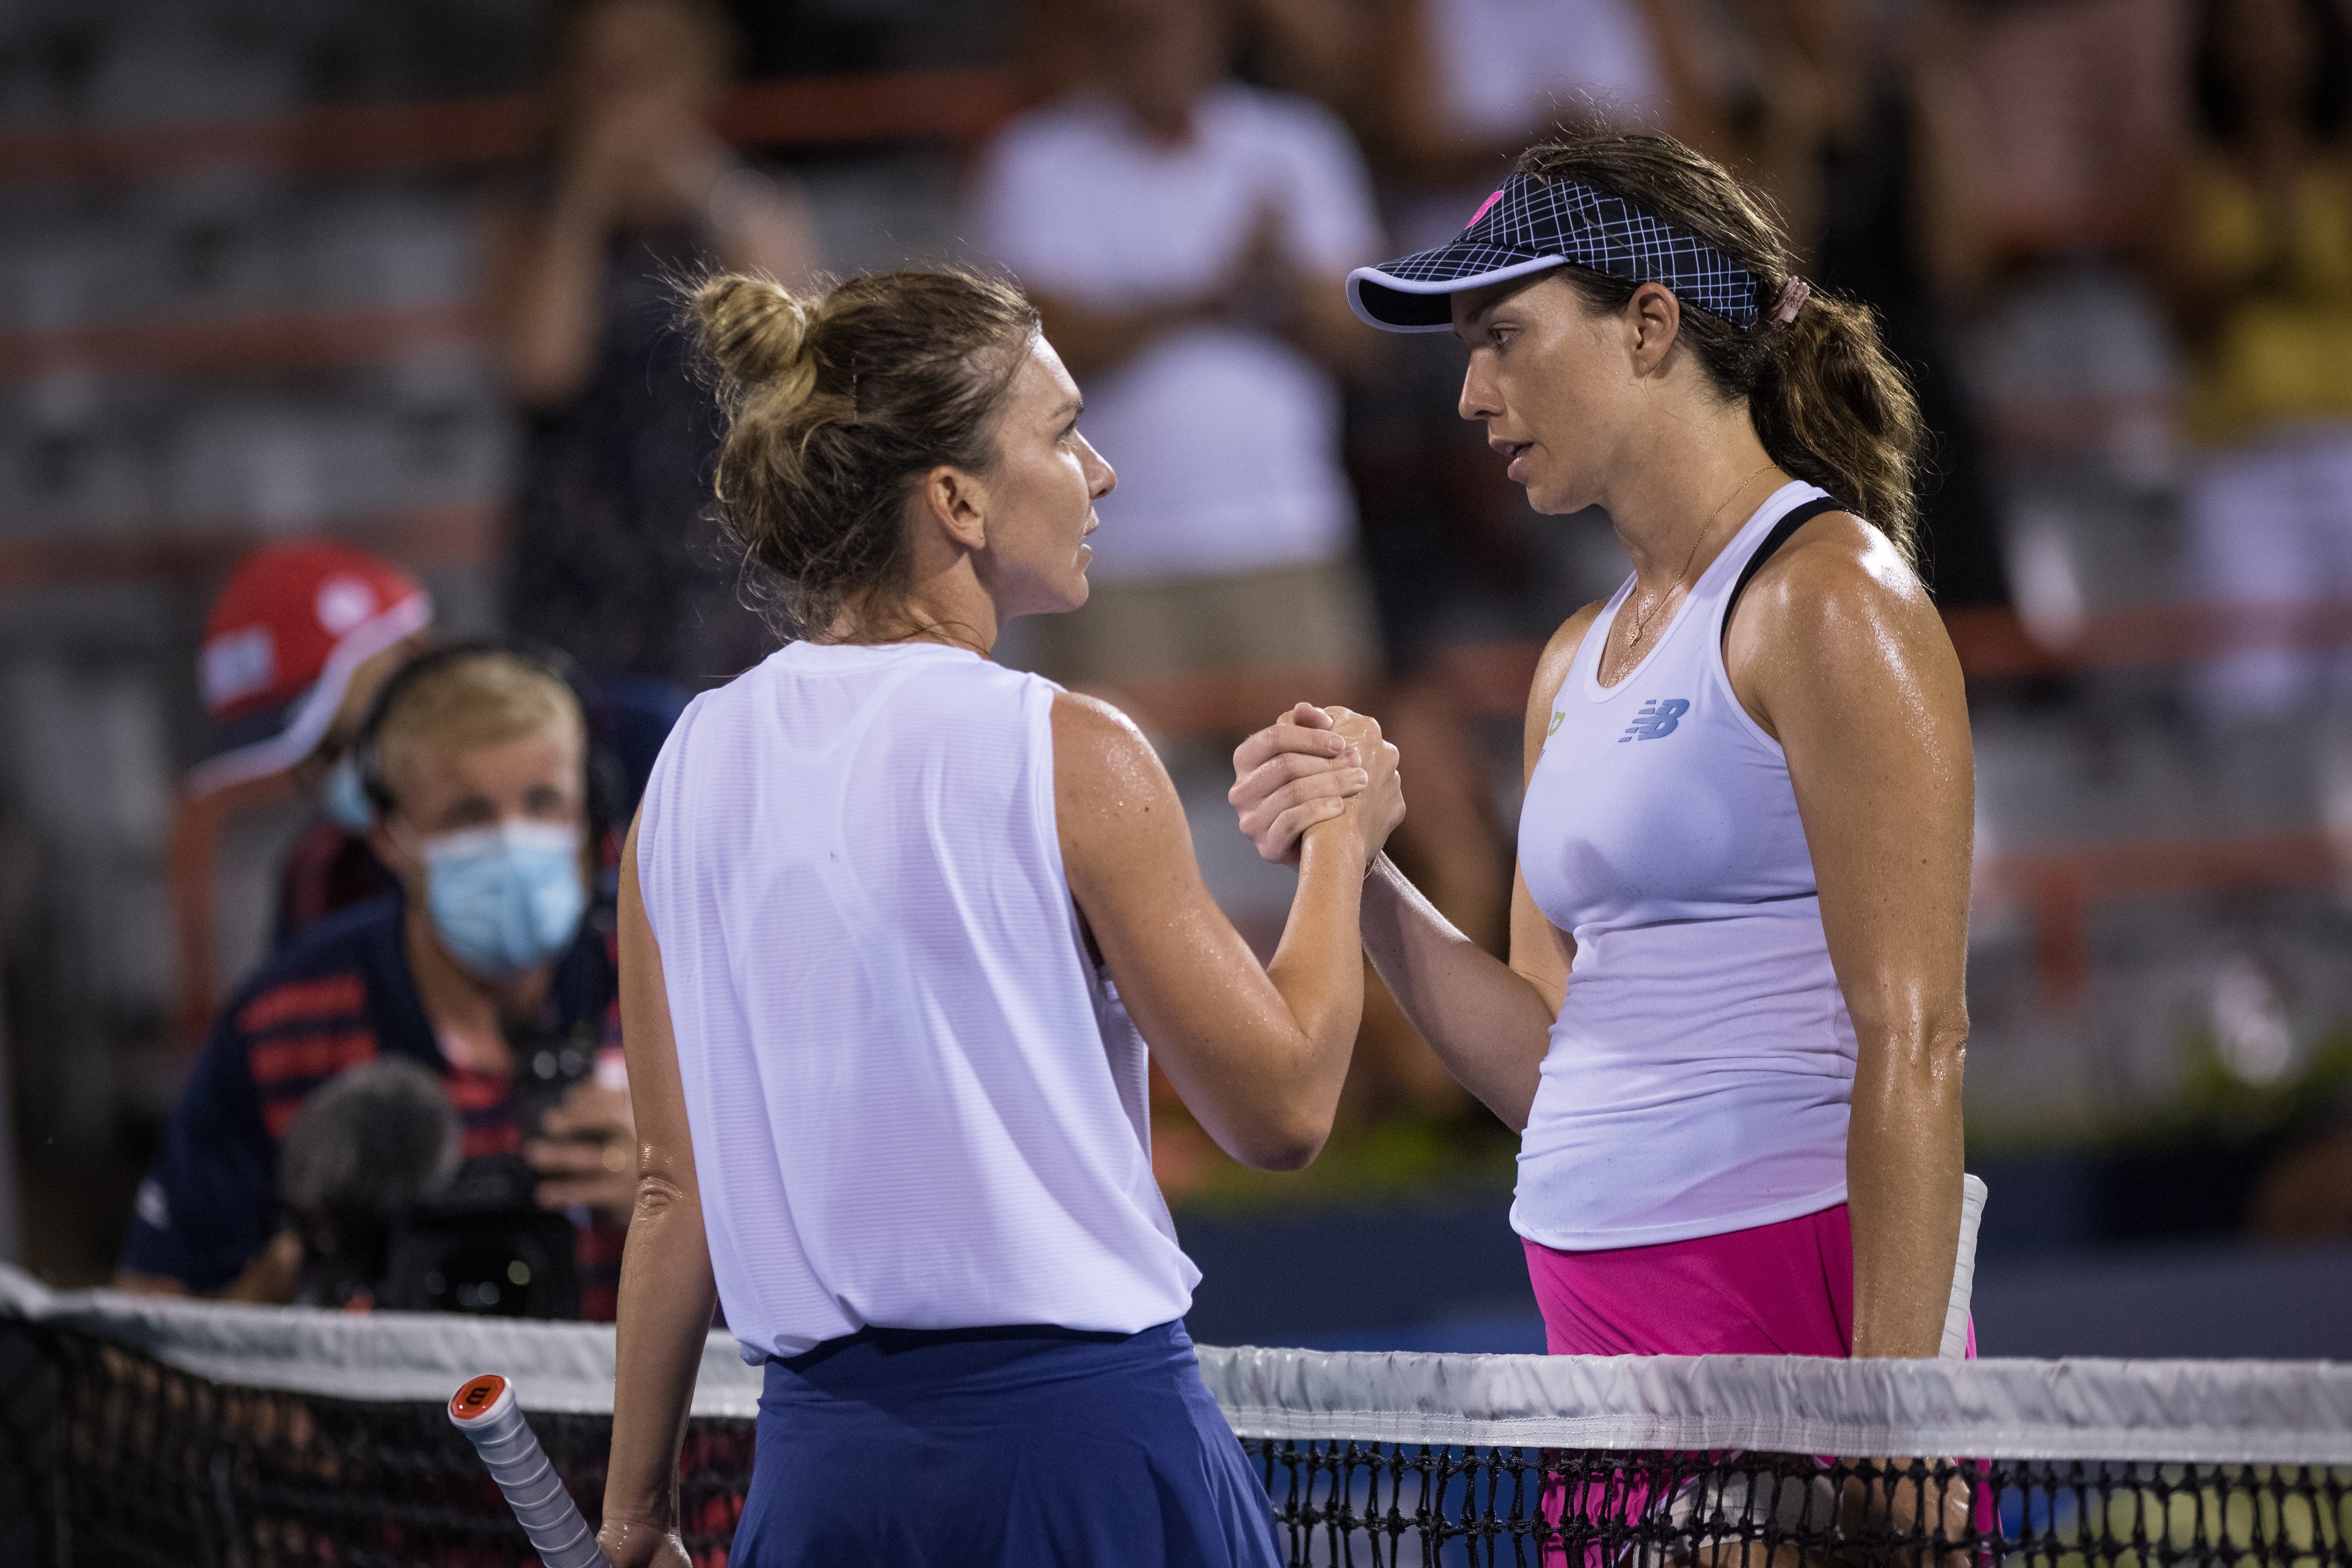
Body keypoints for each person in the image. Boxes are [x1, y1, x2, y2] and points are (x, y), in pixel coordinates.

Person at [594, 269, 1404, 1567]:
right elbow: (1284, 1106)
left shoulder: (682, 770)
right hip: (1077, 1462)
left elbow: (668, 1190)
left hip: (819, 1490)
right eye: (1059, 430)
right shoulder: (1071, 750)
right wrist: (1339, 847)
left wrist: (630, 1519)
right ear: (954, 499)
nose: (1100, 470)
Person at [1230, 133, 1976, 1379]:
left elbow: (1917, 1035)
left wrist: (1891, 1414)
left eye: (1501, 336)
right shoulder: (1567, 662)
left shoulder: (1827, 598)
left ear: (1645, 323)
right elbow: (1546, 1061)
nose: (1470, 395)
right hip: (1597, 1315)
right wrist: (1358, 866)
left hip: (1790, 1280)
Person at [122, 647, 640, 1319]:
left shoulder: (678, 984)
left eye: (545, 803)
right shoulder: (278, 1024)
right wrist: (265, 1322)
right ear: (390, 837)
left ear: (589, 812)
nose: (514, 842)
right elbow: (141, 1328)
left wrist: (682, 1208)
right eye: (467, 816)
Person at [970, 0, 1385, 710]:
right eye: (1131, 28)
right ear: (1096, 37)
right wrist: (1218, 295)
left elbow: (1364, 336)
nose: (1155, 46)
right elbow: (1033, 349)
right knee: (1106, 800)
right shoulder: (1035, 160)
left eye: (1173, 23)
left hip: (1285, 530)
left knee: (1327, 793)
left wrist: (1276, 280)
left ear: (1218, 29)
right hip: (1108, 548)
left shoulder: (1296, 143)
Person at [487, 0, 821, 693]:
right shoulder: (527, 213)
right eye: (601, 73)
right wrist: (583, 194)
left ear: (697, 76)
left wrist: (701, 184)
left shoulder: (748, 201)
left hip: (721, 538)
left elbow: (789, 352)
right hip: (581, 545)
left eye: (647, 71)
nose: (623, 96)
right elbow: (542, 367)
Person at [2160, 0, 2352, 720]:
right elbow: (2182, 315)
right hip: (2240, 458)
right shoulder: (2187, 172)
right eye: (2242, 30)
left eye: (2280, 29)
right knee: (2244, 694)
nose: (2263, 50)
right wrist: (2270, 255)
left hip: (2347, 445)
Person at [186, 541, 433, 948]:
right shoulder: (316, 878)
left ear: (410, 655)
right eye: (305, 768)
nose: (328, 778)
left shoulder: (561, 802)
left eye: (336, 742)